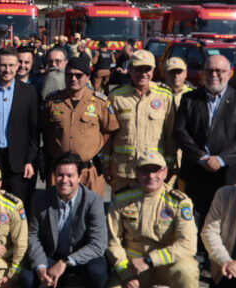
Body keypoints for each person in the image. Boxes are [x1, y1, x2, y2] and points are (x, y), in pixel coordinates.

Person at [103, 151, 199, 288]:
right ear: (137, 172)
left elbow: (188, 245)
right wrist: (124, 272)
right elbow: (113, 241)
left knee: (187, 270)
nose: (151, 176)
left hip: (166, 264)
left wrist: (150, 260)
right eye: (145, 170)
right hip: (133, 267)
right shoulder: (122, 197)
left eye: (156, 170)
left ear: (165, 172)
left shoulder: (179, 201)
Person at [23, 153, 107, 288]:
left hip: (81, 257)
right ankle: (55, 287)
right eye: (60, 175)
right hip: (52, 254)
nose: (64, 180)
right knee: (27, 281)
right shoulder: (40, 198)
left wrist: (65, 263)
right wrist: (40, 268)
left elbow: (98, 244)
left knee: (99, 273)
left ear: (79, 177)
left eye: (70, 175)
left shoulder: (94, 201)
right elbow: (33, 235)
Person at [174, 55, 236, 223]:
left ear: (229, 73)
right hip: (197, 172)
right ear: (203, 73)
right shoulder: (189, 99)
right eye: (209, 70)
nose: (214, 75)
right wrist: (201, 158)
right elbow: (180, 132)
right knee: (195, 221)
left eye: (219, 71)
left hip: (229, 173)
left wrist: (220, 159)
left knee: (226, 220)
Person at [41, 57, 118, 196]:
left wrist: (93, 147)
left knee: (90, 214)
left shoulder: (100, 102)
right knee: (57, 214)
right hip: (60, 172)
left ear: (87, 77)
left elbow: (109, 130)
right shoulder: (52, 102)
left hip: (88, 171)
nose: (73, 78)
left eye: (78, 75)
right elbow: (46, 131)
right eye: (69, 75)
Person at [106, 50, 175, 190]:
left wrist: (168, 165)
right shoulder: (116, 97)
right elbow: (108, 134)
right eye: (138, 69)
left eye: (147, 69)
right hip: (124, 171)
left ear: (154, 70)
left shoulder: (165, 96)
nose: (143, 73)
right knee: (123, 211)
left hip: (154, 172)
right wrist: (106, 164)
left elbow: (171, 135)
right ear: (129, 69)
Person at [0, 47, 38, 204]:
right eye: (3, 65)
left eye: (11, 65)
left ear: (17, 65)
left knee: (16, 205)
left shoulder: (29, 92)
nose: (7, 69)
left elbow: (33, 131)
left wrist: (30, 161)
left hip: (18, 161)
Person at [160, 57, 193, 189]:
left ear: (185, 73)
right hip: (163, 157)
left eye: (179, 72)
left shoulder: (193, 95)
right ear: (164, 73)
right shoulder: (156, 95)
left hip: (185, 159)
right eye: (172, 72)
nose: (176, 76)